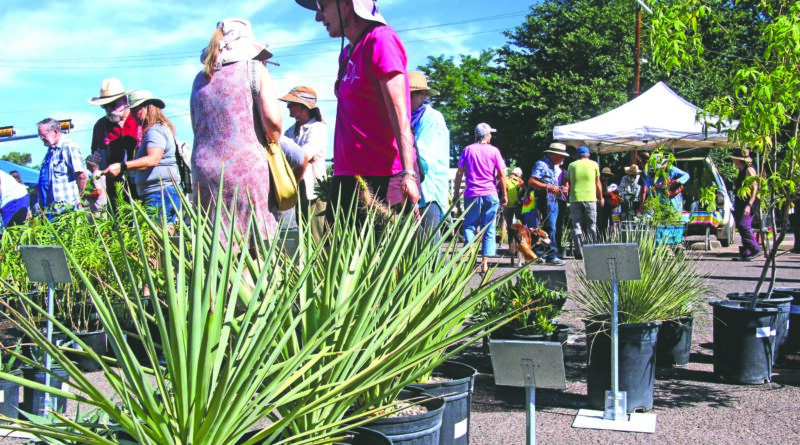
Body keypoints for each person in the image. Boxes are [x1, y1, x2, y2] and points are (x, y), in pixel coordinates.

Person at [296, 0, 420, 224]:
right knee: (338, 255)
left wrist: (408, 173)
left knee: (384, 256)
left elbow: (400, 114)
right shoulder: (347, 54)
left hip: (383, 176)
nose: (318, 17)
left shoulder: (381, 40)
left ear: (345, 4)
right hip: (347, 176)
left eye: (323, 7)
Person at [191, 18, 283, 243]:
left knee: (216, 244)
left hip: (205, 171)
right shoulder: (254, 69)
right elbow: (272, 122)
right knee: (255, 243)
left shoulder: (199, 79)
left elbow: (197, 127)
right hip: (246, 168)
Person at [104, 90, 181, 223]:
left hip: (160, 193)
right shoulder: (156, 129)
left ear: (148, 107)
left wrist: (122, 166)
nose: (133, 115)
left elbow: (153, 159)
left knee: (156, 237)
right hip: (159, 193)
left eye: (136, 110)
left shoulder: (155, 131)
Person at [452, 123, 507, 273]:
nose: (491, 136)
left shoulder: (468, 150)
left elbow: (459, 173)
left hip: (472, 193)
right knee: (488, 227)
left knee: (469, 226)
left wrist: (455, 194)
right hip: (490, 193)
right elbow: (501, 174)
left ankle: (471, 256)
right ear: (487, 135)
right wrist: (504, 194)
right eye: (490, 134)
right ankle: (484, 264)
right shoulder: (494, 151)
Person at [279, 85, 328, 241]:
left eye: (292, 104)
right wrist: (299, 157)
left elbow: (303, 156)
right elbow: (289, 157)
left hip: (313, 189)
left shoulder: (318, 129)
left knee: (316, 235)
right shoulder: (289, 131)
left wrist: (298, 157)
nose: (288, 107)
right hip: (293, 187)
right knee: (298, 233)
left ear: (304, 107)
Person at [408, 71, 450, 239]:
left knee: (429, 250)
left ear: (422, 94)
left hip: (428, 193)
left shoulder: (432, 118)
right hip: (414, 190)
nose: (404, 98)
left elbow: (424, 158)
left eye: (410, 94)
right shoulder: (408, 117)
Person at [88, 77, 142, 206]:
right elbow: (93, 158)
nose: (108, 109)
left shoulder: (138, 119)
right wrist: (93, 159)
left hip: (140, 186)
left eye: (112, 104)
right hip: (114, 190)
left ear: (124, 100)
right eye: (104, 105)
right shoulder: (100, 126)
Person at [36, 117, 87, 218]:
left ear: (55, 131)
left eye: (43, 135)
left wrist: (80, 199)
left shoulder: (69, 147)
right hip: (50, 209)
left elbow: (81, 175)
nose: (41, 139)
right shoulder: (51, 151)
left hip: (65, 210)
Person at [528, 143, 569, 265]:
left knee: (550, 227)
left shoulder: (551, 166)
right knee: (550, 227)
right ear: (553, 154)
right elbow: (531, 181)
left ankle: (542, 253)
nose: (563, 158)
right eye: (561, 156)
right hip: (546, 198)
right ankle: (551, 255)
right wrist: (549, 187)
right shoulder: (542, 164)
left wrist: (560, 188)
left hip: (552, 198)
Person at [565, 146, 603, 259]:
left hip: (575, 198)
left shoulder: (572, 165)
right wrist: (600, 197)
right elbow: (598, 183)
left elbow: (568, 183)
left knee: (577, 226)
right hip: (590, 198)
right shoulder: (594, 164)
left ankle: (578, 252)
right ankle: (591, 250)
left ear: (577, 155)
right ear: (588, 154)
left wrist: (568, 195)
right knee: (591, 225)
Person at [731, 150, 762, 261]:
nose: (733, 161)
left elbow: (755, 187)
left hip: (748, 203)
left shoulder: (749, 170)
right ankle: (746, 251)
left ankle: (755, 249)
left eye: (734, 159)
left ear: (739, 160)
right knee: (741, 225)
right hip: (741, 203)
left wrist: (749, 204)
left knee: (744, 225)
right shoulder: (742, 170)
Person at [503, 167, 525, 255]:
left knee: (509, 226)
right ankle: (520, 245)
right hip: (517, 205)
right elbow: (526, 191)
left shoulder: (505, 179)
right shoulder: (519, 180)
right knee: (522, 225)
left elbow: (497, 188)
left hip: (507, 205)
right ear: (519, 174)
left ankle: (511, 248)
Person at [597, 167, 616, 238]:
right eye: (605, 176)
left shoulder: (612, 184)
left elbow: (617, 195)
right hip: (602, 205)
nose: (606, 178)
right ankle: (602, 237)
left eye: (609, 176)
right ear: (601, 176)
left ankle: (612, 237)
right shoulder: (598, 183)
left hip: (611, 205)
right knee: (602, 222)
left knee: (613, 221)